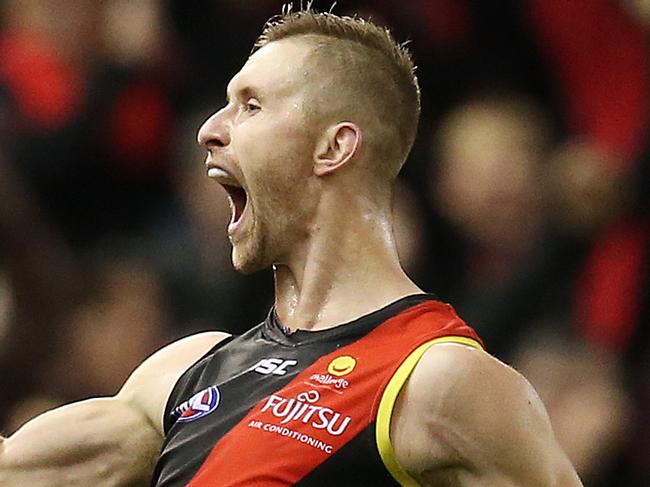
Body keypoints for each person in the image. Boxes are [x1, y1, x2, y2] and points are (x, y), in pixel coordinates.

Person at [0, 8, 582, 486]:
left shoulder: (439, 379)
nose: (209, 128)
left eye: (250, 106)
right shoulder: (188, 370)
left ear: (334, 148)